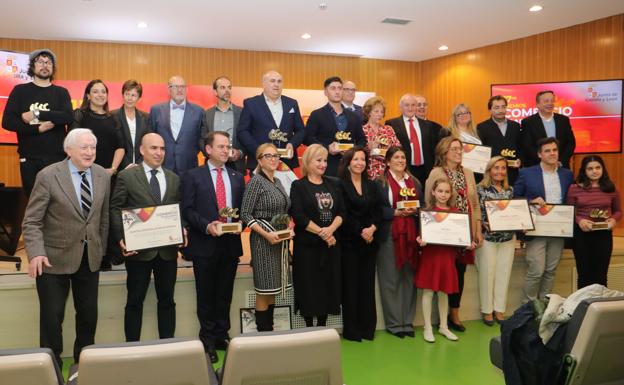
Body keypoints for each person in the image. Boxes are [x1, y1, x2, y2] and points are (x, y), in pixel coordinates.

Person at [22, 128, 110, 368]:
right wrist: (36, 252)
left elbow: (102, 219)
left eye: (93, 147)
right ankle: (50, 368)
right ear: (68, 149)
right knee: (52, 320)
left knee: (88, 317)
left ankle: (83, 366)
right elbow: (31, 220)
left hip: (89, 258)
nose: (90, 152)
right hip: (52, 259)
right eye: (84, 147)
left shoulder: (102, 175)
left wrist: (100, 251)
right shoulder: (48, 175)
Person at [110, 133, 185, 342]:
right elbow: (115, 208)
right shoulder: (127, 177)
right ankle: (132, 347)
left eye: (162, 148)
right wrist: (120, 238)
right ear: (142, 150)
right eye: (153, 148)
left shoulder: (173, 178)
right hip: (138, 251)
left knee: (168, 301)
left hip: (167, 252)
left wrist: (182, 228)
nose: (159, 153)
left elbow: (178, 209)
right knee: (134, 301)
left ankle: (167, 344)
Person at [181, 131, 245, 363]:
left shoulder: (237, 177)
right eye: (221, 147)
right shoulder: (192, 176)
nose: (226, 150)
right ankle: (206, 340)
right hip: (204, 244)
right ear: (208, 149)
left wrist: (240, 224)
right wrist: (207, 226)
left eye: (228, 147)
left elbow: (242, 211)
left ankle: (221, 335)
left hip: (230, 245)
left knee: (225, 294)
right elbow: (187, 209)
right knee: (206, 295)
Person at [425, 136, 483, 332]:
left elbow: (474, 204)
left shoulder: (468, 172)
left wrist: (477, 230)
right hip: (443, 231)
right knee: (444, 272)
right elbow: (428, 203)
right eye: (454, 149)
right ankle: (439, 318)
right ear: (444, 152)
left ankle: (454, 313)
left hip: (464, 231)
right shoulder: (436, 173)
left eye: (460, 149)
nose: (459, 152)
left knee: (460, 272)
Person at [2, 48, 73, 195]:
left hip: (57, 158)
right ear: (32, 66)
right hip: (29, 158)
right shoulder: (20, 91)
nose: (45, 65)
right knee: (34, 203)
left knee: (58, 202)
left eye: (49, 62)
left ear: (53, 68)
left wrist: (37, 113)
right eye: (40, 61)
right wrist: (37, 129)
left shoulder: (61, 92)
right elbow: (7, 122)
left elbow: (67, 116)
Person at [289, 144, 344, 327]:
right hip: (307, 248)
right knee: (308, 287)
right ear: (307, 161)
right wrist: (323, 232)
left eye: (325, 160)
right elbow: (299, 216)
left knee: (327, 287)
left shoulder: (334, 183)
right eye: (318, 160)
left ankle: (322, 326)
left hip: (330, 246)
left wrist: (330, 231)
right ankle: (309, 328)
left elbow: (342, 212)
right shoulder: (298, 186)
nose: (323, 164)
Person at [240, 143, 293, 331]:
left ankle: (269, 331)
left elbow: (284, 210)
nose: (273, 159)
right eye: (268, 156)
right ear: (259, 160)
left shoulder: (277, 181)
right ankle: (263, 335)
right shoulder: (255, 181)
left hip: (279, 241)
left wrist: (289, 226)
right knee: (264, 291)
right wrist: (267, 234)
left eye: (276, 155)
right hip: (263, 241)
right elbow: (245, 214)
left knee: (273, 290)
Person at [514, 137, 574, 302]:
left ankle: (545, 306)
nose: (552, 153)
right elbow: (515, 197)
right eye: (547, 151)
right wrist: (531, 201)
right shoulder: (526, 173)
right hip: (537, 229)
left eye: (554, 150)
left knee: (550, 270)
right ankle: (529, 307)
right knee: (536, 270)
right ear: (540, 154)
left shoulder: (567, 174)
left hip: (558, 230)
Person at [416, 177, 469, 343]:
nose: (443, 194)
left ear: (451, 193)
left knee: (444, 291)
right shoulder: (426, 212)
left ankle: (444, 327)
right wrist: (421, 241)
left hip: (447, 256)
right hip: (431, 255)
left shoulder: (456, 214)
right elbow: (420, 237)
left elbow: (461, 238)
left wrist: (466, 242)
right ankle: (427, 327)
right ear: (433, 192)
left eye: (447, 191)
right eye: (440, 191)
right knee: (428, 291)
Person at [375, 146, 421, 339]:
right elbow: (376, 208)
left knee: (409, 278)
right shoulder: (380, 182)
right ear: (387, 161)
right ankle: (395, 323)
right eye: (396, 157)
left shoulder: (415, 182)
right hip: (390, 234)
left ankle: (407, 321)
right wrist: (394, 212)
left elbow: (422, 206)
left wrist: (415, 211)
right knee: (391, 279)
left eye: (403, 157)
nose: (401, 160)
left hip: (411, 234)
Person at [337, 147, 380, 341]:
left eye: (363, 159)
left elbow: (378, 210)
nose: (360, 163)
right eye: (356, 159)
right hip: (349, 243)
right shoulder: (340, 185)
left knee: (367, 287)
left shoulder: (372, 185)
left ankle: (367, 328)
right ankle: (352, 331)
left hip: (369, 243)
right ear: (348, 162)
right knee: (351, 288)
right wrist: (360, 231)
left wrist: (372, 228)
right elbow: (343, 214)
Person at [567, 155, 621, 288]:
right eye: (590, 168)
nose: (594, 171)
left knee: (601, 276)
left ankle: (599, 308)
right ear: (584, 171)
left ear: (603, 169)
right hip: (582, 236)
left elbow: (619, 211)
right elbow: (569, 211)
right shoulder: (575, 188)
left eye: (598, 167)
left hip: (604, 235)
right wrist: (580, 221)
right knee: (584, 275)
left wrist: (613, 220)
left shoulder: (612, 188)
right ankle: (584, 307)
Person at [238, 71, 306, 172]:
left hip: (286, 163)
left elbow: (301, 130)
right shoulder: (251, 104)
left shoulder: (292, 103)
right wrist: (259, 150)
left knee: (285, 189)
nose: (276, 84)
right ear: (264, 84)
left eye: (279, 81)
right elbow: (242, 131)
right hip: (259, 162)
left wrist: (292, 144)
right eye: (272, 81)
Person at [476, 156, 516, 325]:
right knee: (487, 274)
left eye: (503, 168)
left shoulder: (509, 191)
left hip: (507, 238)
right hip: (488, 238)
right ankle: (487, 311)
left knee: (503, 274)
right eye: (496, 168)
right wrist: (482, 225)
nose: (500, 171)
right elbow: (477, 214)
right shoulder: (480, 189)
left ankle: (499, 310)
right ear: (489, 170)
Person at [305, 76, 365, 176]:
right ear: (325, 92)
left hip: (349, 168)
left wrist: (353, 151)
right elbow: (307, 138)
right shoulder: (317, 114)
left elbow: (362, 140)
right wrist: (326, 148)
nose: (337, 91)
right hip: (325, 167)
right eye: (333, 88)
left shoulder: (354, 116)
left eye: (340, 88)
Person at [150, 75, 205, 175]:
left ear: (187, 89)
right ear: (168, 89)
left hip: (189, 166)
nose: (180, 90)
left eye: (182, 87)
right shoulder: (156, 110)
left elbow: (201, 138)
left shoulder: (199, 111)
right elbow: (151, 137)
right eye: (175, 86)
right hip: (162, 165)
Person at [71, 79, 124, 175]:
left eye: (103, 92)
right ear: (88, 96)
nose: (100, 95)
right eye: (95, 92)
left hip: (109, 173)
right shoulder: (79, 114)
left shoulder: (114, 118)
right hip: (85, 171)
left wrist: (112, 169)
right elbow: (73, 143)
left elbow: (120, 147)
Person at [385, 93, 441, 186]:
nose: (410, 108)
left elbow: (433, 149)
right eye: (407, 105)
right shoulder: (392, 124)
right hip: (404, 169)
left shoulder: (428, 125)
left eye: (413, 105)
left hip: (426, 170)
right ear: (401, 107)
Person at [521, 90, 576, 169]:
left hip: (560, 166)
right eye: (546, 101)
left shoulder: (563, 120)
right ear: (538, 104)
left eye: (552, 101)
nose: (550, 103)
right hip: (537, 166)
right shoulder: (528, 122)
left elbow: (571, 143)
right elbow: (527, 146)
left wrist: (560, 161)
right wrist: (545, 162)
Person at [201, 76, 245, 173]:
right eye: (222, 87)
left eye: (229, 87)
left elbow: (247, 138)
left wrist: (240, 153)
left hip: (235, 165)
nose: (227, 90)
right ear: (215, 92)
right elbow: (202, 139)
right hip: (212, 165)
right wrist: (211, 154)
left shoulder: (242, 113)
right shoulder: (207, 114)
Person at [476, 95, 522, 185]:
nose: (501, 110)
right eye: (497, 107)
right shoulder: (482, 127)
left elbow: (520, 146)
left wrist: (521, 159)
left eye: (503, 107)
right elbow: (481, 151)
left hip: (512, 173)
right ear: (490, 110)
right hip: (492, 174)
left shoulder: (515, 126)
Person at [111, 79, 152, 170]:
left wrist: (139, 164)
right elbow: (113, 144)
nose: (129, 98)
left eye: (133, 95)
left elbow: (148, 143)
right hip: (120, 168)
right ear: (122, 95)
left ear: (139, 98)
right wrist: (127, 164)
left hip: (141, 167)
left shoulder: (146, 117)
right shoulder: (112, 116)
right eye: (127, 94)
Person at [362, 96, 400, 179]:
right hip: (368, 173)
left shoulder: (388, 129)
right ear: (369, 113)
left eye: (382, 112)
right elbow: (358, 153)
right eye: (376, 111)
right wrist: (369, 149)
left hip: (388, 173)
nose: (379, 114)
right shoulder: (362, 130)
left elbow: (397, 150)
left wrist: (376, 151)